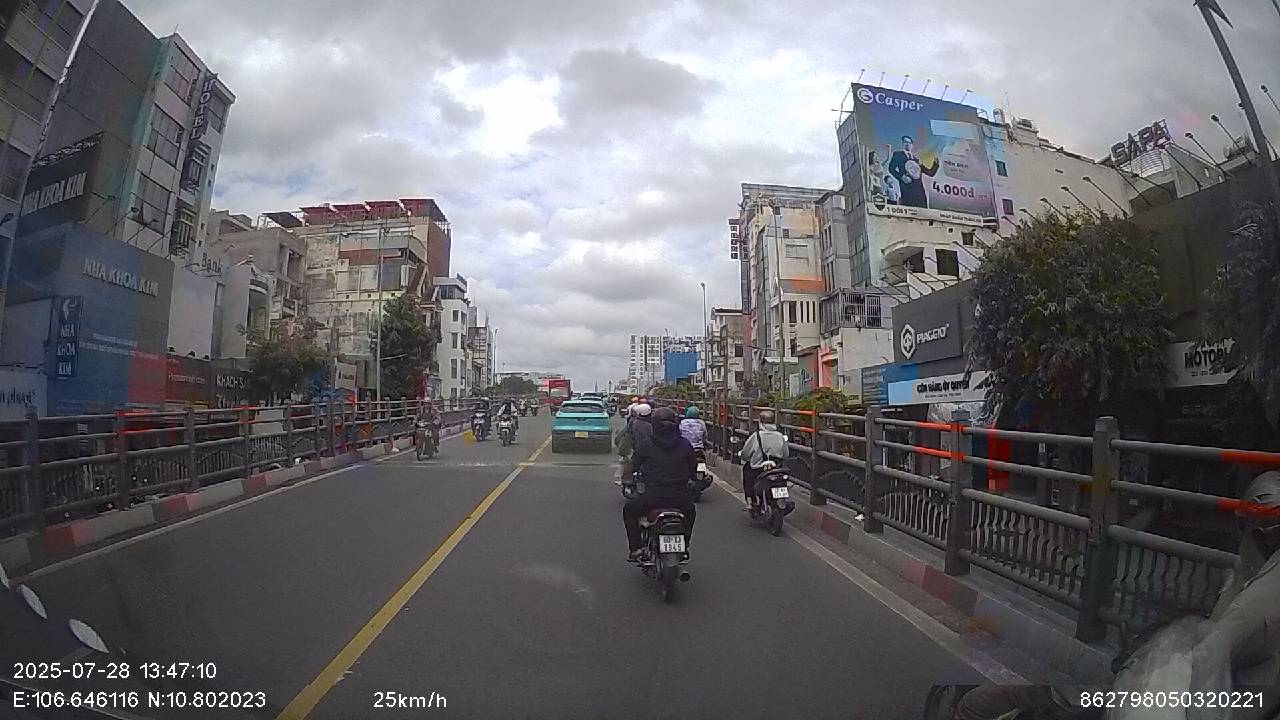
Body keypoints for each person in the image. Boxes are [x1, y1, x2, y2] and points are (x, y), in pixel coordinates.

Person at [622, 406, 697, 562]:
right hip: (680, 498)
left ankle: (636, 549)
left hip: (652, 498)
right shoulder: (685, 445)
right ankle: (684, 545)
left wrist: (630, 480)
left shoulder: (645, 445)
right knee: (690, 512)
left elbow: (633, 466)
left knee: (629, 510)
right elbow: (693, 470)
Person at [737, 411, 788, 511]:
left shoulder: (756, 436)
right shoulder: (780, 436)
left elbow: (746, 453)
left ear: (760, 422)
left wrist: (743, 456)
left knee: (747, 472)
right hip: (777, 468)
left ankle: (750, 501)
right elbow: (786, 454)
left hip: (759, 468)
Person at [888, 134, 939, 209]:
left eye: (909, 143)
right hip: (907, 191)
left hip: (920, 193)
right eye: (905, 142)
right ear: (902, 143)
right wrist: (901, 177)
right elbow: (891, 168)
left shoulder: (917, 160)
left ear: (912, 145)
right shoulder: (898, 155)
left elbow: (930, 173)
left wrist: (935, 164)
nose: (907, 144)